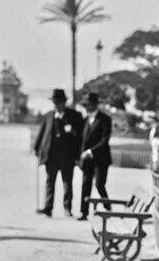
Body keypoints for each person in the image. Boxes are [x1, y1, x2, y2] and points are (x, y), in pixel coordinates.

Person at [33, 88, 83, 216]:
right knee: (50, 182)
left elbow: (81, 135)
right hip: (51, 157)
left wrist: (73, 131)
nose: (56, 105)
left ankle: (67, 208)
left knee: (67, 183)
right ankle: (48, 208)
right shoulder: (49, 116)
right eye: (54, 102)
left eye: (59, 102)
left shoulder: (74, 115)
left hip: (67, 156)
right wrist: (37, 149)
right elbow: (42, 134)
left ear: (64, 102)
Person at [77, 91, 113, 219]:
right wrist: (81, 156)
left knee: (99, 184)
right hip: (87, 160)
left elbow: (105, 140)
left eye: (88, 105)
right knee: (85, 184)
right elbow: (82, 140)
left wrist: (90, 151)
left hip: (101, 158)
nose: (86, 107)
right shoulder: (85, 120)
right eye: (85, 105)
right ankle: (84, 212)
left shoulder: (105, 119)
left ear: (94, 105)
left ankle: (107, 206)